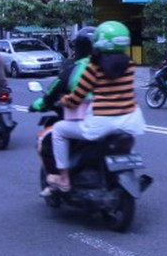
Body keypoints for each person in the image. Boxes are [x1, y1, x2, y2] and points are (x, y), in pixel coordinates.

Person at [49, 20, 145, 193]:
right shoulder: (130, 66)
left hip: (101, 123)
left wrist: (64, 101)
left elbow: (77, 98)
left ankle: (63, 177)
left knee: (58, 130)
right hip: (131, 121)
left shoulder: (93, 68)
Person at [30, 27, 95, 188]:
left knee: (50, 136)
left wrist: (38, 105)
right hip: (118, 122)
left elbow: (51, 94)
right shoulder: (113, 67)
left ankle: (62, 177)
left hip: (87, 122)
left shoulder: (74, 70)